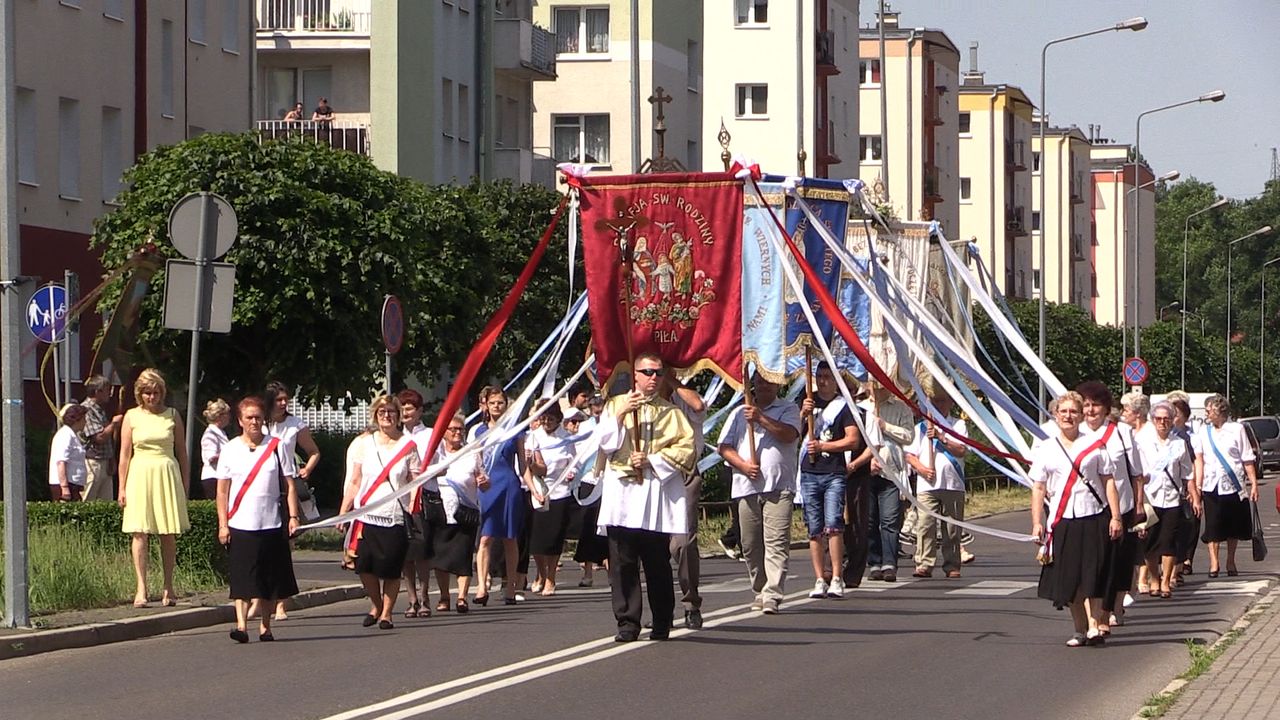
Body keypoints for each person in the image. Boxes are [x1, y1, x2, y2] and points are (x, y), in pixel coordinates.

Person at [596, 353, 695, 640]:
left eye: (658, 373)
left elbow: (687, 449)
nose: (653, 378)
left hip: (653, 493)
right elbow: (604, 443)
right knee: (623, 562)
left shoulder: (671, 412)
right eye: (647, 372)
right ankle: (627, 622)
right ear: (634, 375)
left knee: (657, 562)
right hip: (623, 495)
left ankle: (662, 620)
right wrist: (621, 412)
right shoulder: (615, 404)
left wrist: (652, 460)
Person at [1030, 391, 1123, 647]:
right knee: (1071, 578)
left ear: (1081, 415)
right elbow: (1038, 488)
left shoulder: (1094, 444)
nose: (1068, 416)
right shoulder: (1046, 448)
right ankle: (1079, 629)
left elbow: (1109, 481)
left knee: (1093, 574)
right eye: (1064, 411)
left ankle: (1094, 626)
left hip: (1093, 516)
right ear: (1056, 415)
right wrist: (1037, 521)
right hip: (1063, 521)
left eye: (1074, 411)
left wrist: (1116, 516)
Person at [215, 396, 301, 643]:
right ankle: (241, 626)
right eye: (249, 417)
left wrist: (293, 516)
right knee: (242, 578)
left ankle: (265, 626)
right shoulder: (230, 449)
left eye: (258, 417)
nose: (254, 421)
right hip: (240, 524)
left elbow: (290, 485)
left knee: (269, 578)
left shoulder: (276, 446)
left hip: (271, 523)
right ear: (240, 421)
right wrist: (223, 524)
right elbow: (222, 491)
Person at [718, 371, 801, 615]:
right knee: (751, 544)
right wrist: (742, 465)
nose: (764, 385)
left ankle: (773, 594)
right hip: (747, 488)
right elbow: (724, 446)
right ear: (752, 383)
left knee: (776, 542)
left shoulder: (788, 409)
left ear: (778, 384)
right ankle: (760, 588)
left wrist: (761, 419)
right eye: (760, 380)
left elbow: (789, 435)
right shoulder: (738, 413)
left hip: (778, 487)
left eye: (769, 381)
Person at [338, 395, 421, 630]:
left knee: (391, 568)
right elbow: (355, 481)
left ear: (398, 416)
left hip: (394, 515)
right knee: (364, 566)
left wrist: (413, 508)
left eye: (391, 412)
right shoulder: (365, 443)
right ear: (375, 415)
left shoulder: (408, 446)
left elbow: (415, 481)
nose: (387, 416)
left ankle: (387, 613)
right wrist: (345, 511)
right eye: (382, 412)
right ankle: (375, 604)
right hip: (366, 515)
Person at [118, 368, 191, 608]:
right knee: (140, 531)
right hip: (139, 474)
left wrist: (185, 483)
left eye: (156, 392)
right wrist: (122, 487)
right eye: (147, 392)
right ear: (140, 394)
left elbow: (182, 452)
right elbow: (125, 455)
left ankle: (168, 586)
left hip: (166, 472)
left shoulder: (172, 415)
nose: (152, 397)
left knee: (167, 532)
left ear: (162, 392)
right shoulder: (131, 416)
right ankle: (141, 587)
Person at [1076, 380, 1145, 634]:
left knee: (1117, 561)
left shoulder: (1121, 433)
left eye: (1096, 405)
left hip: (1122, 507)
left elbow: (1137, 472)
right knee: (1095, 563)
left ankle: (1112, 608)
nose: (1090, 410)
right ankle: (1096, 617)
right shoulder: (1077, 433)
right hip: (1089, 508)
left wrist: (1139, 505)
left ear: (1106, 408)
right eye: (1086, 405)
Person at [797, 361, 860, 598]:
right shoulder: (806, 401)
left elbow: (852, 440)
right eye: (819, 376)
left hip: (833, 471)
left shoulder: (842, 406)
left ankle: (836, 576)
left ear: (835, 380)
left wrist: (825, 445)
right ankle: (819, 578)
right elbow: (792, 432)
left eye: (827, 376)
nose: (822, 381)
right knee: (814, 527)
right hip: (809, 472)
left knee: (833, 523)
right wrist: (803, 414)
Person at [263, 381, 321, 621]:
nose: (284, 403)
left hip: (287, 487)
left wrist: (306, 469)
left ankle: (281, 604)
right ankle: (263, 599)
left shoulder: (295, 424)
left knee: (284, 546)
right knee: (263, 546)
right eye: (279, 399)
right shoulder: (260, 424)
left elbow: (314, 451)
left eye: (286, 399)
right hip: (263, 487)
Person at [473, 387, 530, 606]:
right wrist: (478, 477)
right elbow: (477, 462)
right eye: (493, 402)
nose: (497, 406)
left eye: (501, 402)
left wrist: (533, 488)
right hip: (488, 487)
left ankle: (510, 587)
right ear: (486, 405)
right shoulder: (479, 432)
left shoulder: (514, 431)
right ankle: (481, 587)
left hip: (508, 485)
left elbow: (523, 466)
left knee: (509, 537)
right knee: (486, 537)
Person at [1193, 394, 1259, 578]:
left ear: (1220, 411)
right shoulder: (1203, 432)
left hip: (1233, 485)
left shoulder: (1236, 429)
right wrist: (1197, 486)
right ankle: (1214, 562)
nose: (1206, 413)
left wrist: (1253, 483)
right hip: (1211, 485)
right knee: (1213, 525)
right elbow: (1199, 460)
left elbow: (1247, 458)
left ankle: (1230, 560)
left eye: (1209, 410)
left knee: (1232, 525)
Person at [429, 413, 488, 614]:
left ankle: (462, 597)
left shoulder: (472, 453)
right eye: (452, 429)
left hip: (465, 512)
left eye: (460, 429)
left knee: (463, 556)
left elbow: (484, 479)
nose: (456, 433)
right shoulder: (436, 454)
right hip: (441, 510)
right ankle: (444, 596)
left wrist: (484, 482)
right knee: (441, 557)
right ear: (443, 433)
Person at [661, 373, 708, 628]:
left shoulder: (684, 401)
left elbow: (699, 406)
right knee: (655, 545)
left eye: (659, 373)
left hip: (685, 473)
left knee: (682, 542)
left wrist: (674, 381)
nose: (655, 378)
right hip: (654, 473)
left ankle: (691, 603)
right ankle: (662, 612)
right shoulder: (647, 403)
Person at [1136, 401, 1195, 598]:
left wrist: (1193, 494)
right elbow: (1138, 472)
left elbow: (1187, 472)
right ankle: (1154, 578)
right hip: (1150, 499)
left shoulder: (1179, 444)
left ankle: (1165, 580)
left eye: (1166, 419)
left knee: (1169, 541)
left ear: (1172, 421)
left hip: (1171, 499)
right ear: (1153, 420)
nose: (1162, 422)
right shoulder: (1143, 443)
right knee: (1150, 543)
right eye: (1159, 419)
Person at [905, 392, 968, 579]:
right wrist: (922, 469)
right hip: (927, 485)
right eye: (935, 401)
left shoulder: (958, 425)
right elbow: (909, 455)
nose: (939, 405)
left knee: (952, 528)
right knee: (925, 525)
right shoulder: (920, 428)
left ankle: (952, 564)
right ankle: (924, 563)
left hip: (952, 483)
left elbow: (962, 450)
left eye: (942, 400)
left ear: (950, 402)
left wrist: (942, 437)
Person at [864, 379, 914, 582]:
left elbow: (909, 436)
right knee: (869, 520)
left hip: (891, 473)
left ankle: (889, 563)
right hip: (867, 471)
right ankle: (874, 562)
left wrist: (885, 426)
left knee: (889, 520)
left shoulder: (900, 408)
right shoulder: (861, 407)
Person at [527, 399, 575, 596]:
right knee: (537, 539)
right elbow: (526, 465)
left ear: (558, 419)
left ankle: (551, 578)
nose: (546, 422)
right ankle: (540, 571)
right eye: (543, 417)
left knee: (555, 537)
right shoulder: (533, 437)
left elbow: (575, 462)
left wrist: (572, 473)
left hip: (560, 491)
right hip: (539, 491)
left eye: (551, 418)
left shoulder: (566, 437)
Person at [398, 389, 434, 618]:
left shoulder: (430, 435)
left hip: (423, 499)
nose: (405, 413)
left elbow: (442, 465)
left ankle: (424, 595)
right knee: (405, 553)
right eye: (401, 408)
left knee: (421, 551)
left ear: (420, 411)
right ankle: (411, 597)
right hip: (399, 501)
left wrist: (421, 474)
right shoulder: (394, 437)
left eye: (409, 408)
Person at [1168, 395, 1200, 583]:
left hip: (1180, 490)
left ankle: (1175, 571)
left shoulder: (1185, 439)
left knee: (1180, 531)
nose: (1170, 419)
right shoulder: (1152, 437)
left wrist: (1194, 491)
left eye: (1175, 414)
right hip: (1159, 492)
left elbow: (1192, 466)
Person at [80, 375, 123, 501]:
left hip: (104, 463)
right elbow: (99, 438)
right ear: (97, 392)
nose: (109, 394)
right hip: (93, 463)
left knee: (105, 502)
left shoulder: (100, 410)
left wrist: (111, 459)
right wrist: (114, 424)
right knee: (88, 500)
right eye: (106, 390)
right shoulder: (87, 410)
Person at [49, 404, 89, 502]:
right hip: (66, 485)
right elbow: (61, 462)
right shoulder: (65, 435)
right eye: (84, 419)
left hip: (73, 484)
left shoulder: (72, 435)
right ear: (77, 420)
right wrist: (64, 487)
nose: (85, 422)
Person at [200, 399, 231, 501]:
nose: (229, 417)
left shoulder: (221, 433)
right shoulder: (210, 434)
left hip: (221, 476)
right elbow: (212, 458)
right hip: (213, 477)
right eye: (226, 414)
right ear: (220, 416)